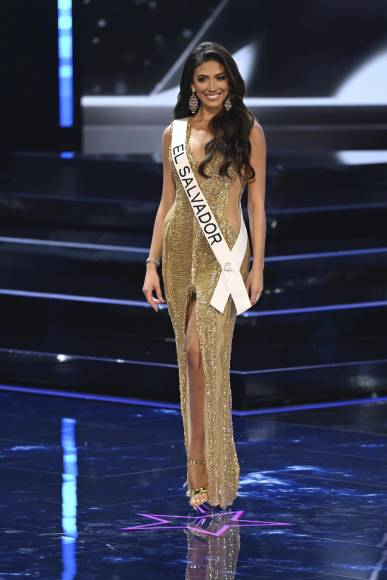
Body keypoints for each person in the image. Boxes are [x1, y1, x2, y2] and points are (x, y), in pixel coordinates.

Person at [142, 41, 266, 511]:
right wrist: (150, 264)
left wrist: (257, 266)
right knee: (188, 360)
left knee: (205, 355)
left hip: (224, 257)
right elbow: (167, 202)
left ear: (231, 80)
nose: (212, 87)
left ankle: (219, 472)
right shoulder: (173, 132)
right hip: (177, 251)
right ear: (190, 86)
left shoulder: (249, 130)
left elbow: (256, 204)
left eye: (219, 78)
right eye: (202, 79)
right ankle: (196, 469)